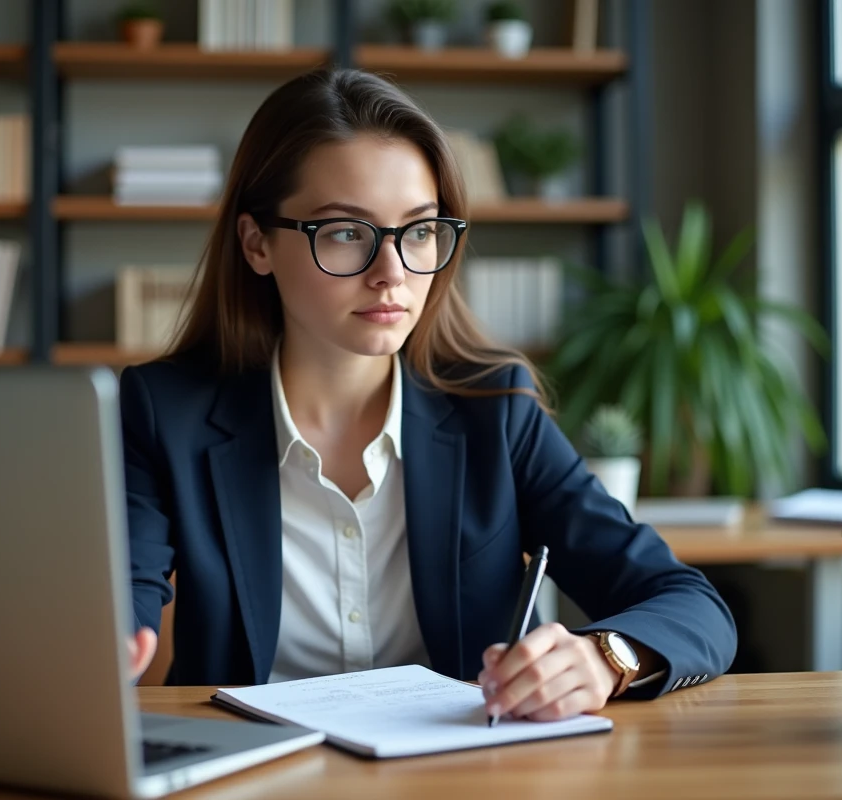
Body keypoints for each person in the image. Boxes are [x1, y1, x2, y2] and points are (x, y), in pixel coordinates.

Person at [120, 67, 736, 722]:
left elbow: (691, 605)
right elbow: (113, 607)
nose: (392, 274)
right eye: (346, 233)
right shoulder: (166, 412)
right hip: (249, 776)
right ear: (257, 244)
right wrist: (104, 644)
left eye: (418, 232)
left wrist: (604, 658)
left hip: (454, 777)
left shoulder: (494, 410)